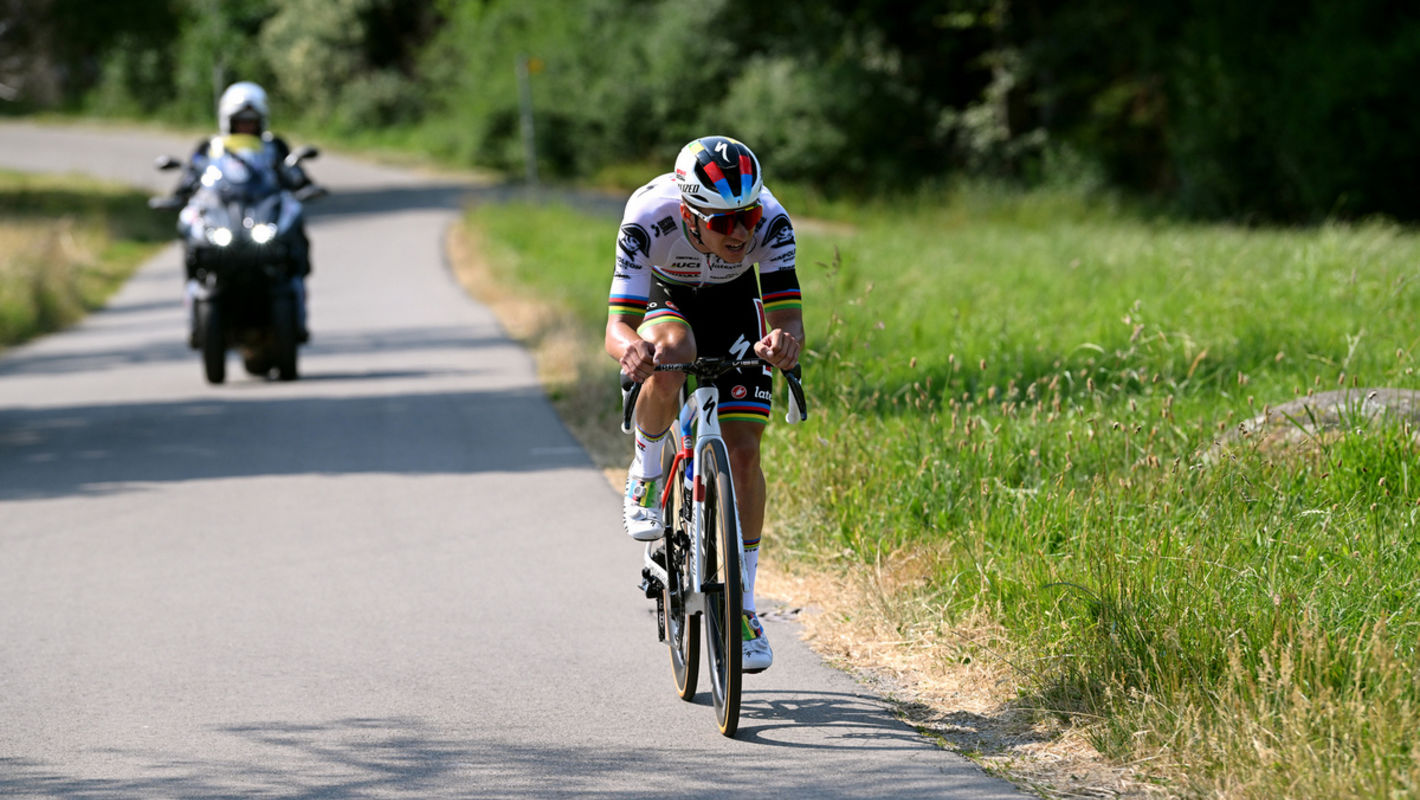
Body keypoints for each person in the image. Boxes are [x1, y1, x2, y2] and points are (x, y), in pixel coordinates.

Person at [605, 135, 804, 673]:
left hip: (736, 305)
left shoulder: (771, 223)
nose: (739, 231)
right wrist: (633, 353)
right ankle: (647, 469)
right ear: (690, 215)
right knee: (672, 353)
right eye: (722, 222)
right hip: (667, 298)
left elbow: (788, 319)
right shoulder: (648, 214)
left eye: (747, 215)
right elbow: (616, 326)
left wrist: (782, 344)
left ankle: (742, 606)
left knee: (743, 455)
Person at [169, 81, 316, 341]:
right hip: (225, 219)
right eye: (240, 121)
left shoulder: (274, 146)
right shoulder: (210, 148)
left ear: (262, 120)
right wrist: (177, 195)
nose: (246, 126)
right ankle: (195, 317)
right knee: (192, 237)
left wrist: (305, 185)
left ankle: (297, 306)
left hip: (262, 217)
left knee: (294, 229)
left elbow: (294, 173)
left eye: (251, 120)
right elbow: (191, 176)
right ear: (228, 120)